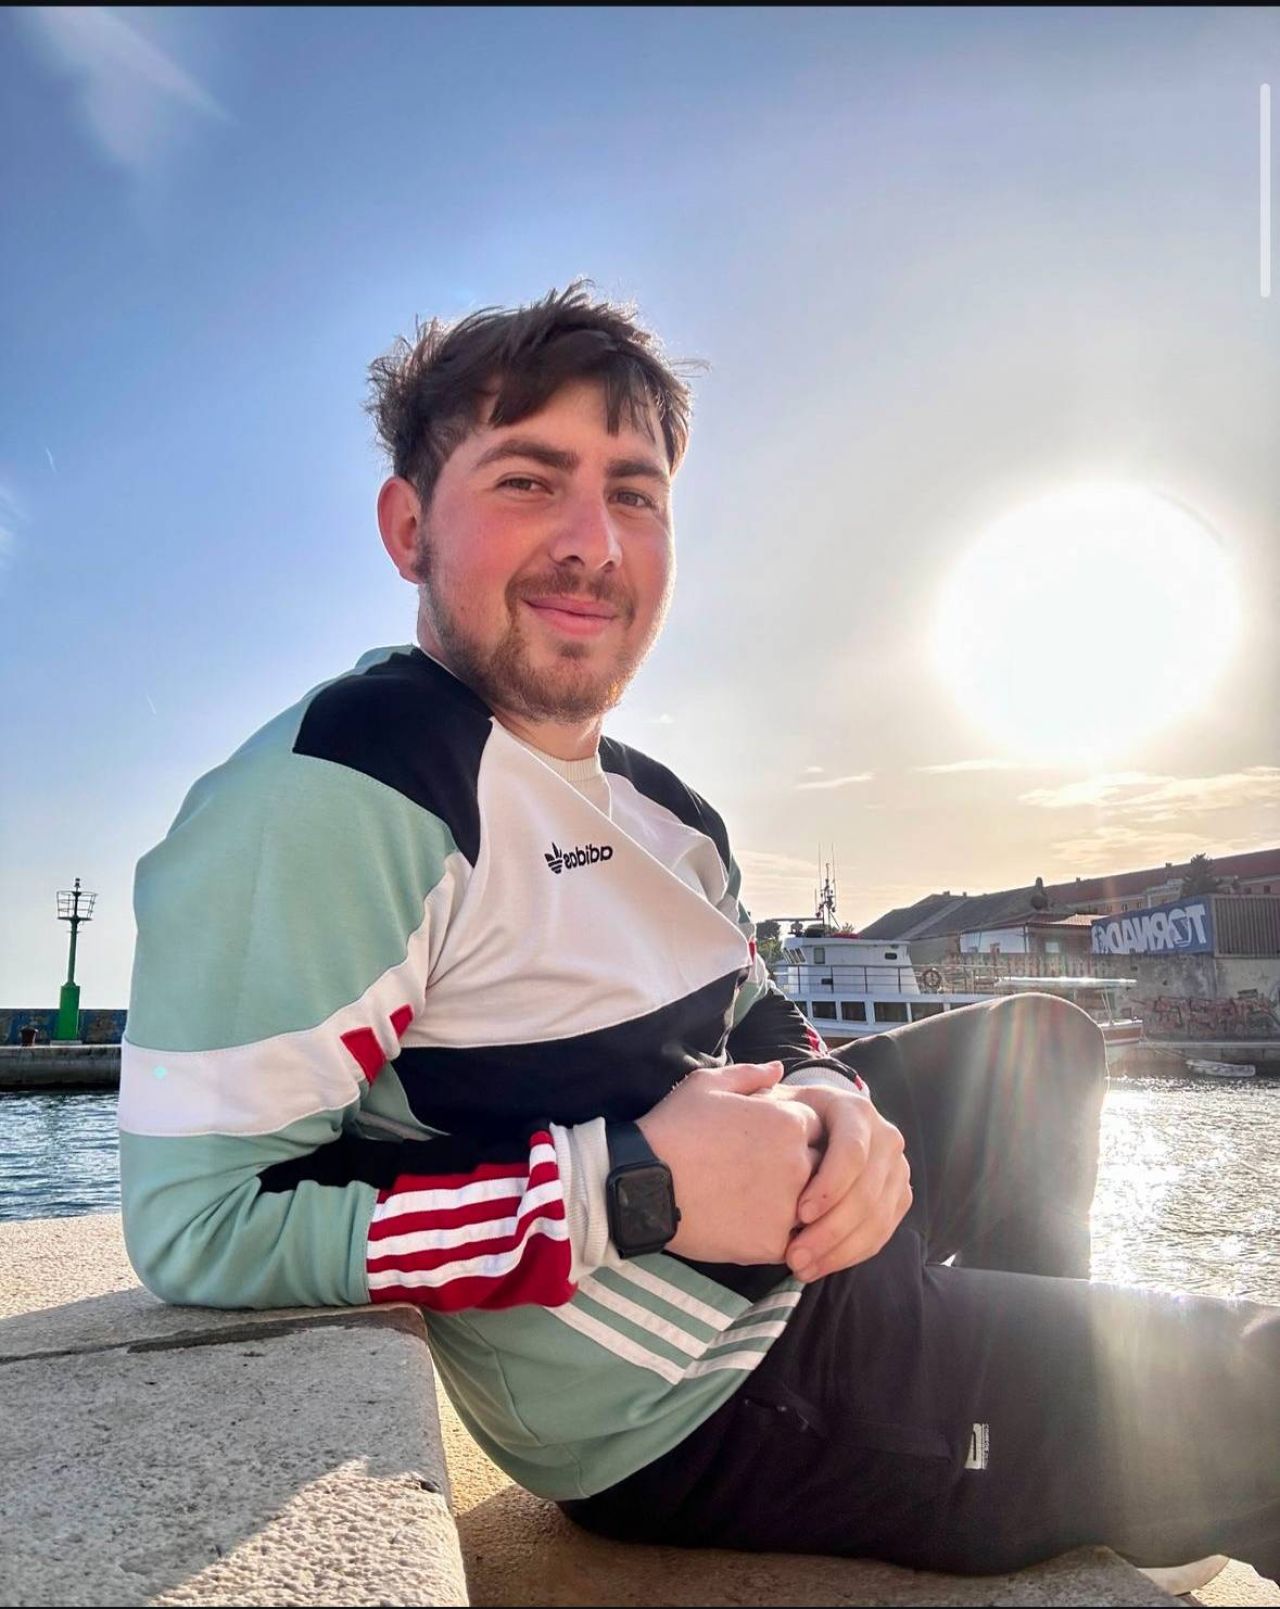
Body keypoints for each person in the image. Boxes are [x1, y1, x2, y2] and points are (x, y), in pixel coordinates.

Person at [119, 283, 1278, 1584]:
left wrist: (840, 1101)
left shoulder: (665, 810)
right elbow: (203, 1221)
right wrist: (630, 1185)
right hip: (696, 1396)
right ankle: (1025, 1429)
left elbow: (757, 1013)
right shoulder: (351, 791)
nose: (592, 544)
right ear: (407, 526)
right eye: (527, 482)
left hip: (803, 1249)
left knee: (1044, 1043)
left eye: (634, 493)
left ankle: (1038, 1412)